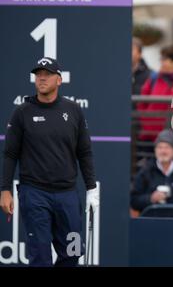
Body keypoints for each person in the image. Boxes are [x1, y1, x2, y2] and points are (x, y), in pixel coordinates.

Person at [0, 57, 99, 267]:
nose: (41, 78)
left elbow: (84, 151)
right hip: (34, 193)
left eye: (47, 74)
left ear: (59, 80)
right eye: (38, 75)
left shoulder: (73, 110)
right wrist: (5, 189)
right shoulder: (22, 112)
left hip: (68, 194)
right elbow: (10, 154)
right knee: (40, 258)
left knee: (72, 254)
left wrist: (91, 188)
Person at [130, 129, 173, 213]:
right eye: (160, 147)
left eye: (167, 147)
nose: (163, 151)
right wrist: (151, 198)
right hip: (152, 223)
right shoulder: (146, 171)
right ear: (155, 150)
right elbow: (133, 200)